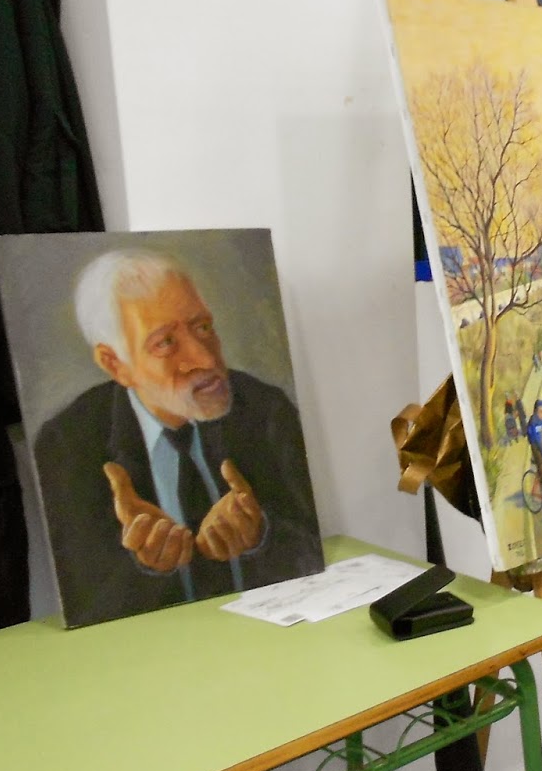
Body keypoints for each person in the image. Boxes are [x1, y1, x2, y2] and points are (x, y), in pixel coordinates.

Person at [33, 248, 324, 628]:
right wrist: (144, 565)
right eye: (166, 343)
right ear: (115, 364)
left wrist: (261, 534)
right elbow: (86, 601)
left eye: (202, 327)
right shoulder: (68, 444)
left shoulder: (266, 411)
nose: (205, 359)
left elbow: (310, 553)